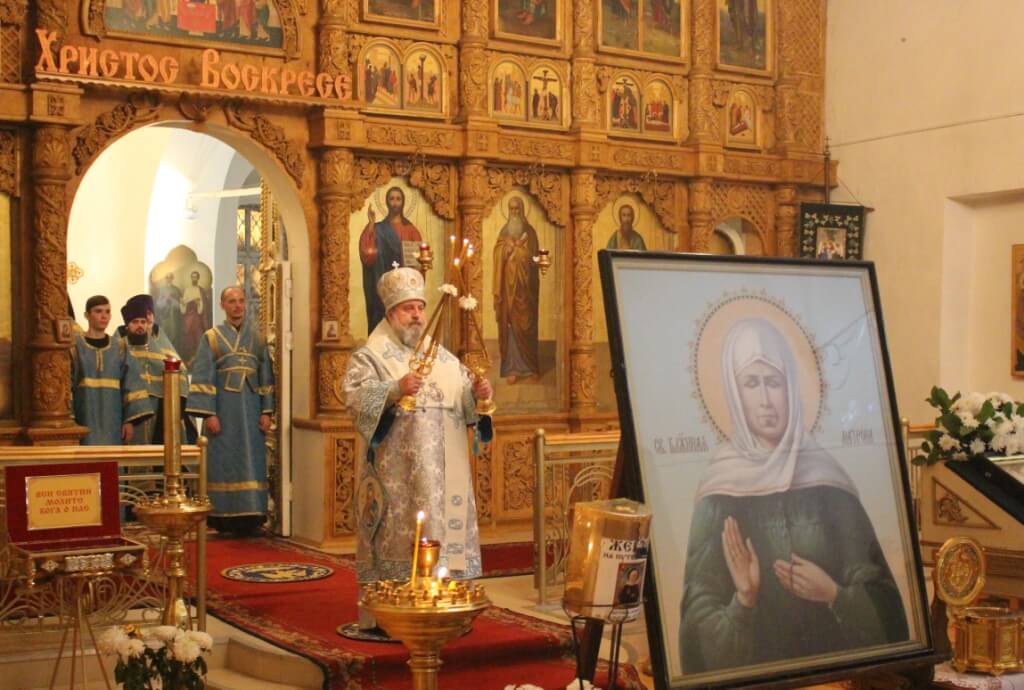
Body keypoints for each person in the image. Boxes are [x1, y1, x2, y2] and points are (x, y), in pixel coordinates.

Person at [678, 318, 908, 673]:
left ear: (792, 387)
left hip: (837, 675)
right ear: (734, 393)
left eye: (774, 382)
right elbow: (696, 629)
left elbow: (886, 606)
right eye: (751, 383)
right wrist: (744, 599)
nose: (765, 400)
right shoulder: (718, 493)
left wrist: (835, 594)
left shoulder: (829, 483)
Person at [343, 267, 493, 631]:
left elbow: (467, 406)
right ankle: (391, 615)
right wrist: (395, 388)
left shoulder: (442, 357)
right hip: (400, 477)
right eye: (408, 308)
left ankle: (450, 609)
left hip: (446, 475)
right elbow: (354, 399)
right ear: (391, 313)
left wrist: (479, 395)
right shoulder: (370, 356)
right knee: (401, 537)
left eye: (420, 308)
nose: (416, 315)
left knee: (447, 536)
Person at [186, 286, 275, 536]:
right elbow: (203, 375)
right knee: (223, 461)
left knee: (251, 460)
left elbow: (266, 377)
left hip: (251, 410)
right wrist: (209, 414)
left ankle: (252, 516)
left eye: (241, 301)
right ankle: (222, 518)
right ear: (222, 305)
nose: (237, 306)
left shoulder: (257, 339)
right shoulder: (211, 337)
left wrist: (266, 411)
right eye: (231, 301)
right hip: (223, 412)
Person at [71, 295, 152, 445]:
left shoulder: (119, 347)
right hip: (83, 418)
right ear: (87, 315)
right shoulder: (75, 346)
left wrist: (129, 421)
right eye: (98, 311)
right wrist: (69, 420)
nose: (104, 316)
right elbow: (66, 385)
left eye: (107, 312)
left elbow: (131, 384)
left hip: (113, 421)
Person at [116, 294, 192, 445]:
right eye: (136, 321)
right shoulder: (118, 344)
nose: (141, 325)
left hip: (160, 406)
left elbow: (180, 370)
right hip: (130, 408)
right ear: (127, 324)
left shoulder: (159, 341)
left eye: (144, 320)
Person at [359, 186, 423, 335]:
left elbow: (418, 264)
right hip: (383, 288)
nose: (395, 203)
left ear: (403, 202)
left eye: (398, 199)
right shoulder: (378, 228)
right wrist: (371, 224)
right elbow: (367, 255)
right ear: (387, 202)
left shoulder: (411, 230)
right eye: (391, 199)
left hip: (404, 290)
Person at [493, 196, 541, 384]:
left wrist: (520, 251)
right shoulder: (504, 232)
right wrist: (506, 250)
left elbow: (535, 259)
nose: (514, 212)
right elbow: (498, 255)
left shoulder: (530, 233)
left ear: (522, 210)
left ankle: (531, 367)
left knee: (527, 325)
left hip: (526, 290)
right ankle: (511, 368)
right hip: (508, 290)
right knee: (510, 325)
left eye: (517, 209)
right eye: (511, 209)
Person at [180, 270, 212, 364]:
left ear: (198, 278)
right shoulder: (187, 290)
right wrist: (184, 303)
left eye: (195, 277)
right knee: (189, 337)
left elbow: (204, 306)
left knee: (199, 336)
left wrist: (199, 303)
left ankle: (198, 358)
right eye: (192, 277)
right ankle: (190, 358)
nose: (194, 279)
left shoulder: (201, 290)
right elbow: (183, 305)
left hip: (198, 317)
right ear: (191, 278)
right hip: (189, 317)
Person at [153, 273, 183, 351]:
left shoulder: (176, 289)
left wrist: (172, 300)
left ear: (172, 278)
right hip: (165, 316)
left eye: (170, 278)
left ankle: (174, 351)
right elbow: (158, 304)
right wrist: (165, 300)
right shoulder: (162, 289)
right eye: (167, 278)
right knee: (165, 333)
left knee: (174, 333)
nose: (168, 279)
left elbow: (180, 305)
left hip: (174, 317)